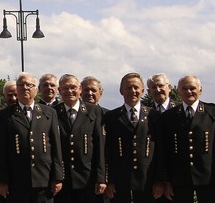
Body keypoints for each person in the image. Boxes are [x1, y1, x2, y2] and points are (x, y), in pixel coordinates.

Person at [0, 72, 63, 203]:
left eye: (29, 85)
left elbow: (56, 147)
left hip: (44, 179)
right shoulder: (5, 115)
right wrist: (1, 180)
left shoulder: (49, 113)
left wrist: (58, 177)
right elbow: (0, 150)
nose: (25, 88)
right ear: (17, 89)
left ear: (36, 90)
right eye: (21, 85)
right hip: (17, 180)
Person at [104, 73, 164, 203]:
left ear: (142, 91)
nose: (133, 91)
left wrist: (159, 181)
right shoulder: (111, 117)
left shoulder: (154, 116)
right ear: (121, 91)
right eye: (128, 87)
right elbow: (108, 151)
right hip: (120, 180)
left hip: (148, 179)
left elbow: (161, 151)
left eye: (136, 88)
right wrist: (109, 180)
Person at [161, 75, 215, 203]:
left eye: (192, 88)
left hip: (209, 178)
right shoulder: (169, 116)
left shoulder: (212, 112)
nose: (188, 92)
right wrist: (167, 180)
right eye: (184, 88)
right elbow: (166, 152)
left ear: (200, 90)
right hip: (180, 179)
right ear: (178, 91)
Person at [53, 74, 105, 203]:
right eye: (65, 88)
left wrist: (101, 178)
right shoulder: (52, 112)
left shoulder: (94, 111)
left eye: (73, 87)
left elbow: (100, 146)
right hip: (62, 180)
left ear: (80, 89)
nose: (69, 91)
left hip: (88, 178)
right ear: (59, 91)